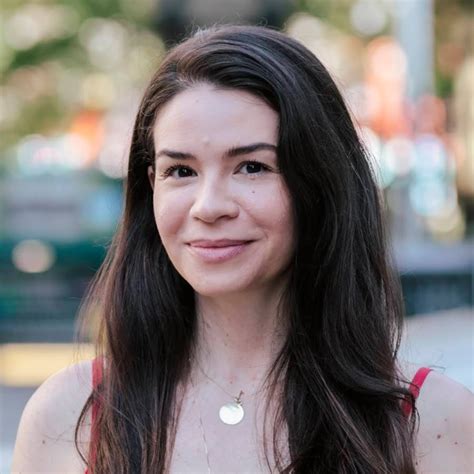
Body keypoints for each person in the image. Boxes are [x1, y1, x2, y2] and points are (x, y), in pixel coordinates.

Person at [12, 24, 473, 474]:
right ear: (150, 187)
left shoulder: (433, 423)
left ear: (322, 183)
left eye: (252, 166)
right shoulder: (69, 419)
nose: (209, 206)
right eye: (181, 171)